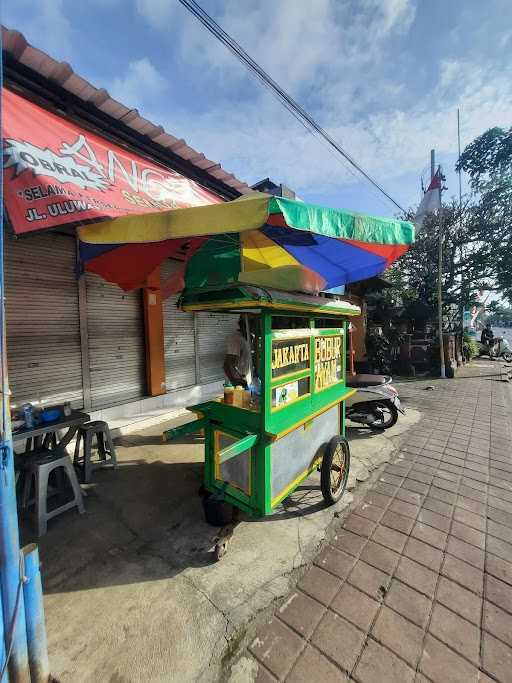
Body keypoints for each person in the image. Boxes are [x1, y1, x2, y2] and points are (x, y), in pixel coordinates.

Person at [224, 316, 253, 389]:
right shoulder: (236, 339)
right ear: (244, 325)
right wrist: (239, 384)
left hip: (247, 381)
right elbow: (228, 365)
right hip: (239, 386)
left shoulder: (249, 337)